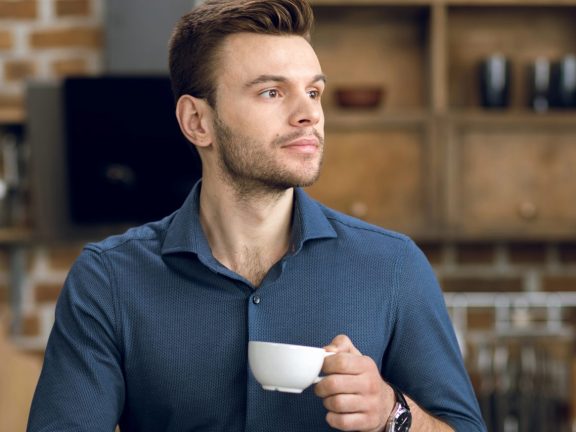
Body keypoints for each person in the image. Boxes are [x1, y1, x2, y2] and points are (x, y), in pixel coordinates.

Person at [28, 1, 486, 431]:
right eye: (272, 92)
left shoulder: (393, 266)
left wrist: (393, 411)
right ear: (197, 122)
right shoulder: (108, 280)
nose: (308, 114)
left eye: (313, 91)